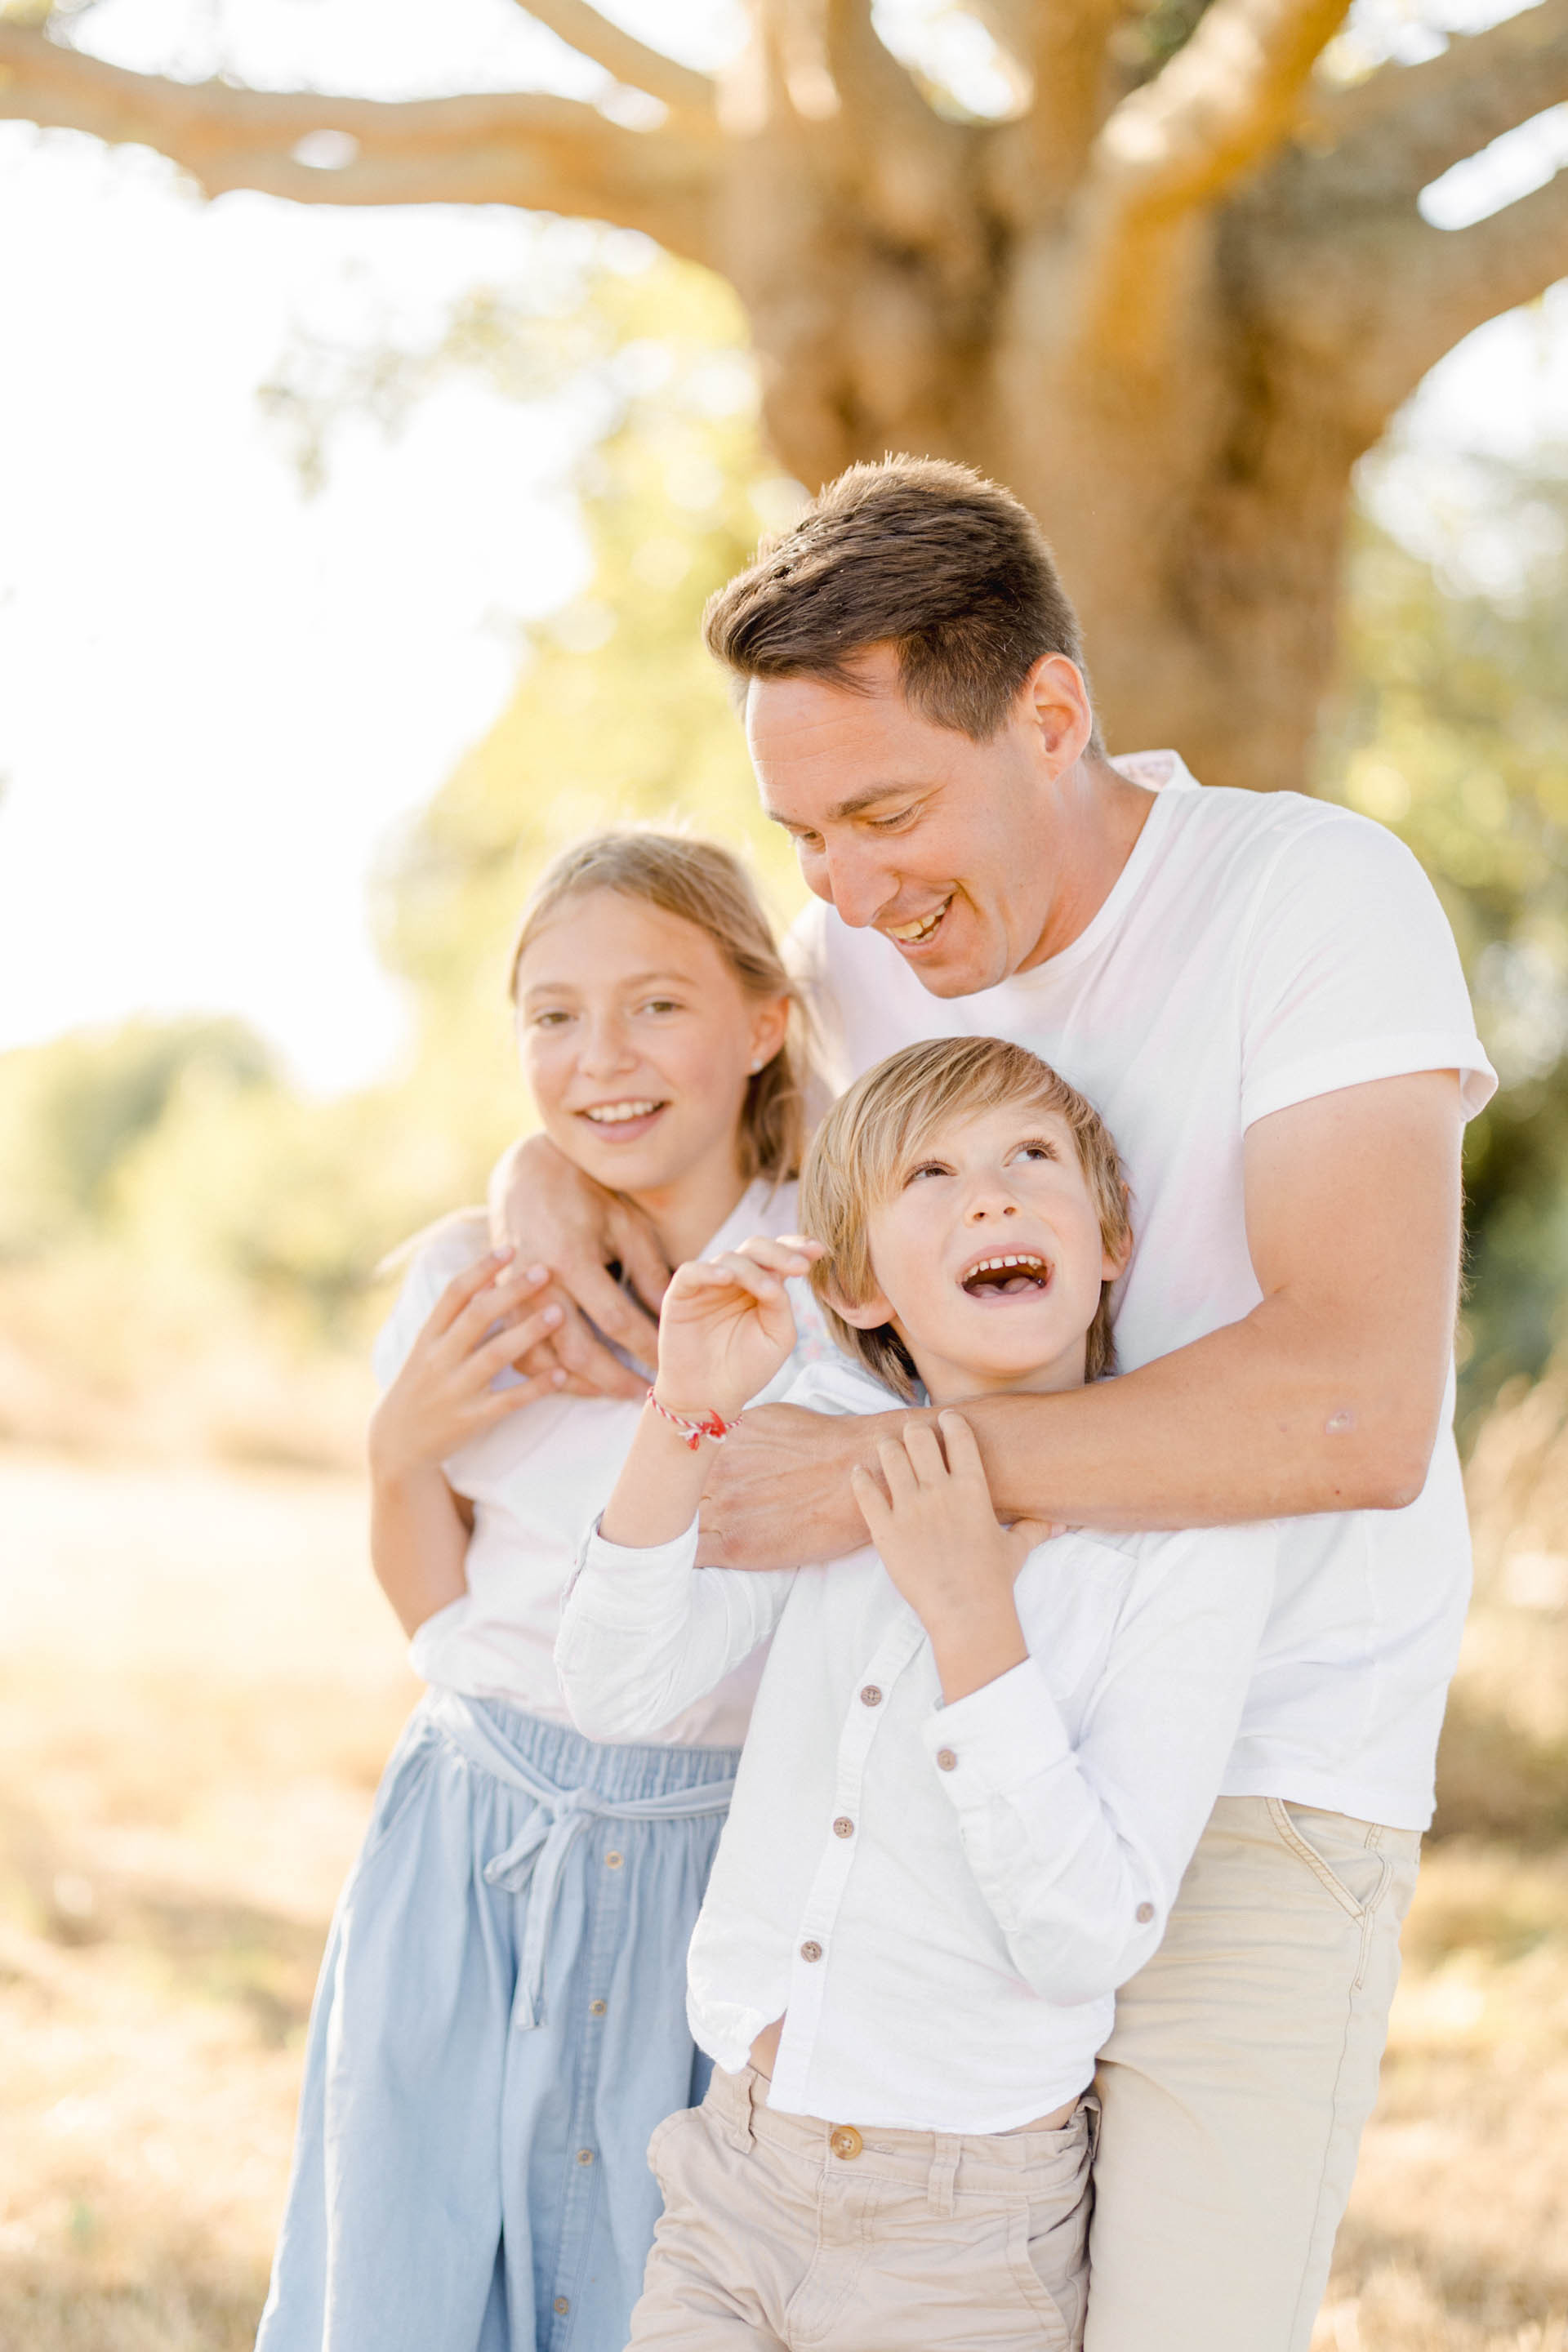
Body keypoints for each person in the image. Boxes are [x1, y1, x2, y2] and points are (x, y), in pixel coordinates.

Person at [495, 458, 1498, 2350]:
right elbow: (670, 1082)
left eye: (888, 811)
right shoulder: (862, 957)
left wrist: (883, 1476)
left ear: (1052, 714)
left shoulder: (1310, 896)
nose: (854, 890)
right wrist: (543, 1180)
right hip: (926, 1784)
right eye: (805, 836)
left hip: (1268, 1767)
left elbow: (1360, 1403)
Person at [555, 1036, 1276, 2351]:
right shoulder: (826, 1442)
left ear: (1111, 1240)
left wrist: (967, 1617)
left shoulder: (1189, 1542)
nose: (991, 1197)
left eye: (1031, 1159)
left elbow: (1083, 1936)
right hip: (737, 2177)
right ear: (863, 1286)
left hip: (963, 2237)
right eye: (929, 1174)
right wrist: (683, 1413)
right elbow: (614, 1683)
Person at [256, 831, 828, 2352]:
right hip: (471, 1843)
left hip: (718, 1852)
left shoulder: (829, 1287)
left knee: (661, 2282)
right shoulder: (470, 1275)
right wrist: (400, 1449)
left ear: (764, 1020)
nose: (601, 1061)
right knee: (418, 2252)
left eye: (656, 1006)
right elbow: (435, 1612)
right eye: (553, 1016)